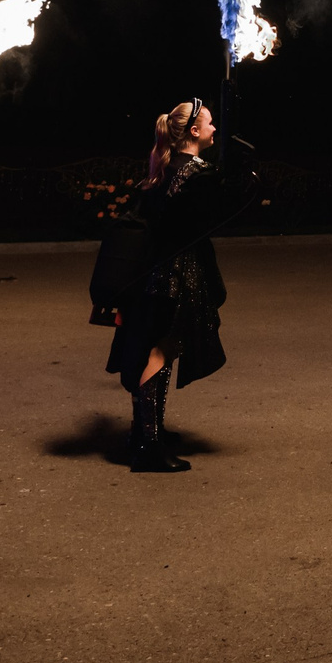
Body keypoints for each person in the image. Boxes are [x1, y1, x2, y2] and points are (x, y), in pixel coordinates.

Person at [108, 98, 232, 474]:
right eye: (209, 123)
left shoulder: (167, 167)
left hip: (153, 272)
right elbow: (212, 216)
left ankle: (145, 431)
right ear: (193, 132)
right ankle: (148, 446)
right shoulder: (194, 173)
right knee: (161, 350)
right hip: (173, 274)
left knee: (151, 347)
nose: (214, 129)